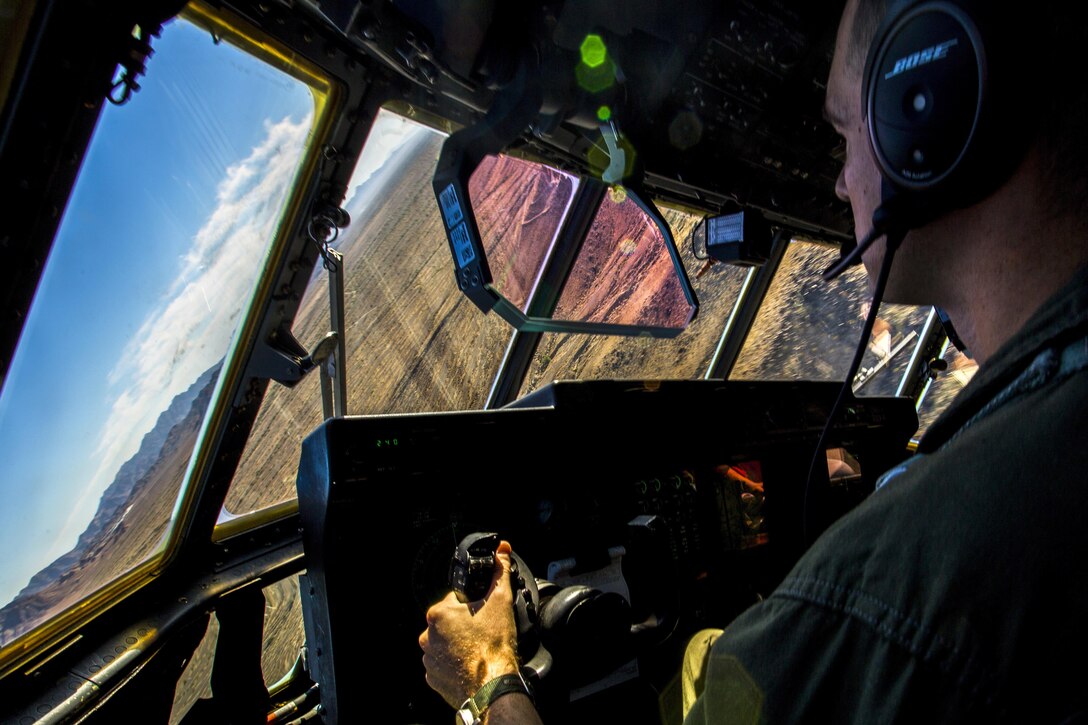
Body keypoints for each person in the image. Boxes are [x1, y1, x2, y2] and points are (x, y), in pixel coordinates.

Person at [420, 0, 1088, 721]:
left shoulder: (887, 593)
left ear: (926, 107)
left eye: (841, 132)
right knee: (708, 645)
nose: (839, 182)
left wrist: (486, 679)